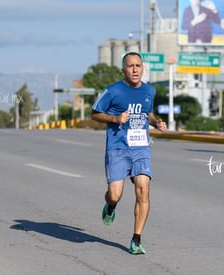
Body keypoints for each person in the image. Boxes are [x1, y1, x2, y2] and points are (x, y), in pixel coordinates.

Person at [91, 52, 167, 255]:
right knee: (115, 195)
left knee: (143, 189)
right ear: (123, 70)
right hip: (117, 148)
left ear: (143, 68)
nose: (135, 69)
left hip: (141, 148)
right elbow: (95, 113)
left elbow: (146, 113)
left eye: (138, 66)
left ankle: (136, 239)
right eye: (130, 66)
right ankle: (110, 206)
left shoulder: (149, 91)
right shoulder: (113, 91)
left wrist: (156, 122)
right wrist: (115, 119)